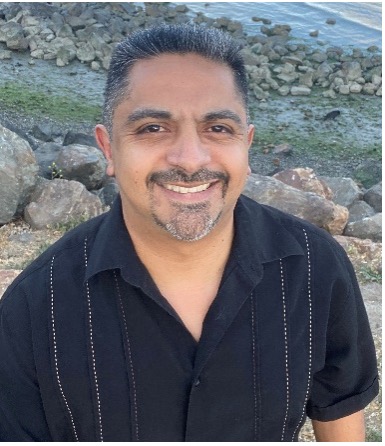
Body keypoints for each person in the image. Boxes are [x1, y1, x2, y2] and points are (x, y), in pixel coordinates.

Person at [0, 24, 378, 442]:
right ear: (108, 149)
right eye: (152, 128)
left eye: (218, 128)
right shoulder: (35, 308)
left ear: (246, 145)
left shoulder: (316, 267)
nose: (190, 159)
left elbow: (340, 413)